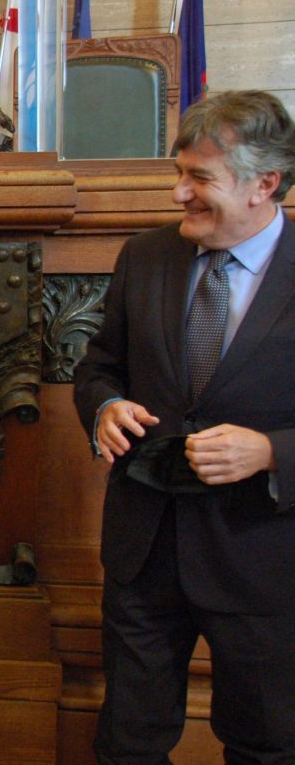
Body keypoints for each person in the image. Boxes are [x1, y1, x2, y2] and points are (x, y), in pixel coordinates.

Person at [73, 90, 295, 763]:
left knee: (266, 746)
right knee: (127, 743)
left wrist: (271, 452)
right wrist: (105, 407)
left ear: (264, 184)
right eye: (178, 173)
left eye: (199, 178)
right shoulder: (145, 257)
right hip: (145, 552)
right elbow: (99, 367)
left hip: (263, 562)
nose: (178, 194)